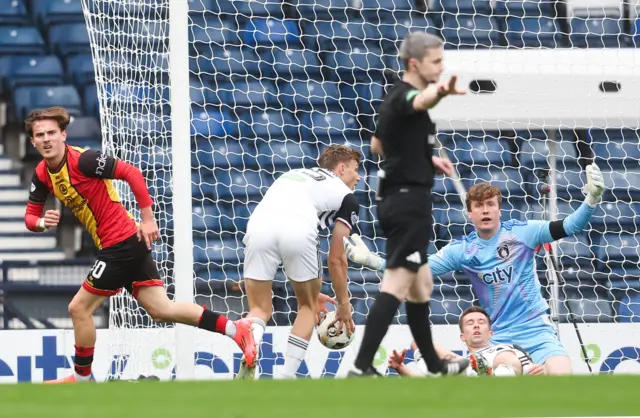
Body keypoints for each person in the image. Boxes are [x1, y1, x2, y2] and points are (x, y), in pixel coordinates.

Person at [23, 107, 256, 383]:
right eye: (40, 135)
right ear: (33, 142)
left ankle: (81, 379)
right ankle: (235, 329)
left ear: (63, 134)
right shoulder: (41, 173)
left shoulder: (84, 160)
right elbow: (30, 217)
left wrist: (148, 219)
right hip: (125, 243)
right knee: (161, 309)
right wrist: (41, 224)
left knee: (79, 309)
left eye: (52, 132)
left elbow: (130, 172)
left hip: (121, 241)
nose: (47, 139)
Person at [345, 164, 605, 374]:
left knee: (562, 376)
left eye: (491, 204)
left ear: (499, 209)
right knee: (505, 376)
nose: (485, 210)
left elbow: (570, 226)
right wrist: (373, 261)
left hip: (536, 328)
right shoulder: (463, 250)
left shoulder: (524, 233)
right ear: (470, 214)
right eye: (479, 206)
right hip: (498, 335)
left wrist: (591, 200)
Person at [348, 31, 469, 377]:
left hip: (397, 197)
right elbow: (421, 101)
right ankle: (360, 367)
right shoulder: (409, 96)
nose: (442, 67)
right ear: (414, 63)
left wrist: (425, 160)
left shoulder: (391, 100)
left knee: (423, 284)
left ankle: (434, 365)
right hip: (408, 202)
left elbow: (376, 146)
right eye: (436, 61)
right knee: (396, 284)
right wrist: (441, 92)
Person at [236, 145, 361, 380]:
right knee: (307, 307)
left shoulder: (293, 174)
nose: (359, 176)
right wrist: (343, 304)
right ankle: (286, 377)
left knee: (259, 309)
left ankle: (252, 345)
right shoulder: (348, 197)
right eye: (355, 169)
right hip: (298, 228)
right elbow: (336, 259)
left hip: (258, 226)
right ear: (342, 168)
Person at [388, 306, 545, 377]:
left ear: (490, 333)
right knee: (418, 343)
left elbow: (536, 374)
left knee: (505, 356)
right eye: (470, 323)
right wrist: (400, 367)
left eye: (481, 322)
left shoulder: (509, 348)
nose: (476, 325)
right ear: (462, 337)